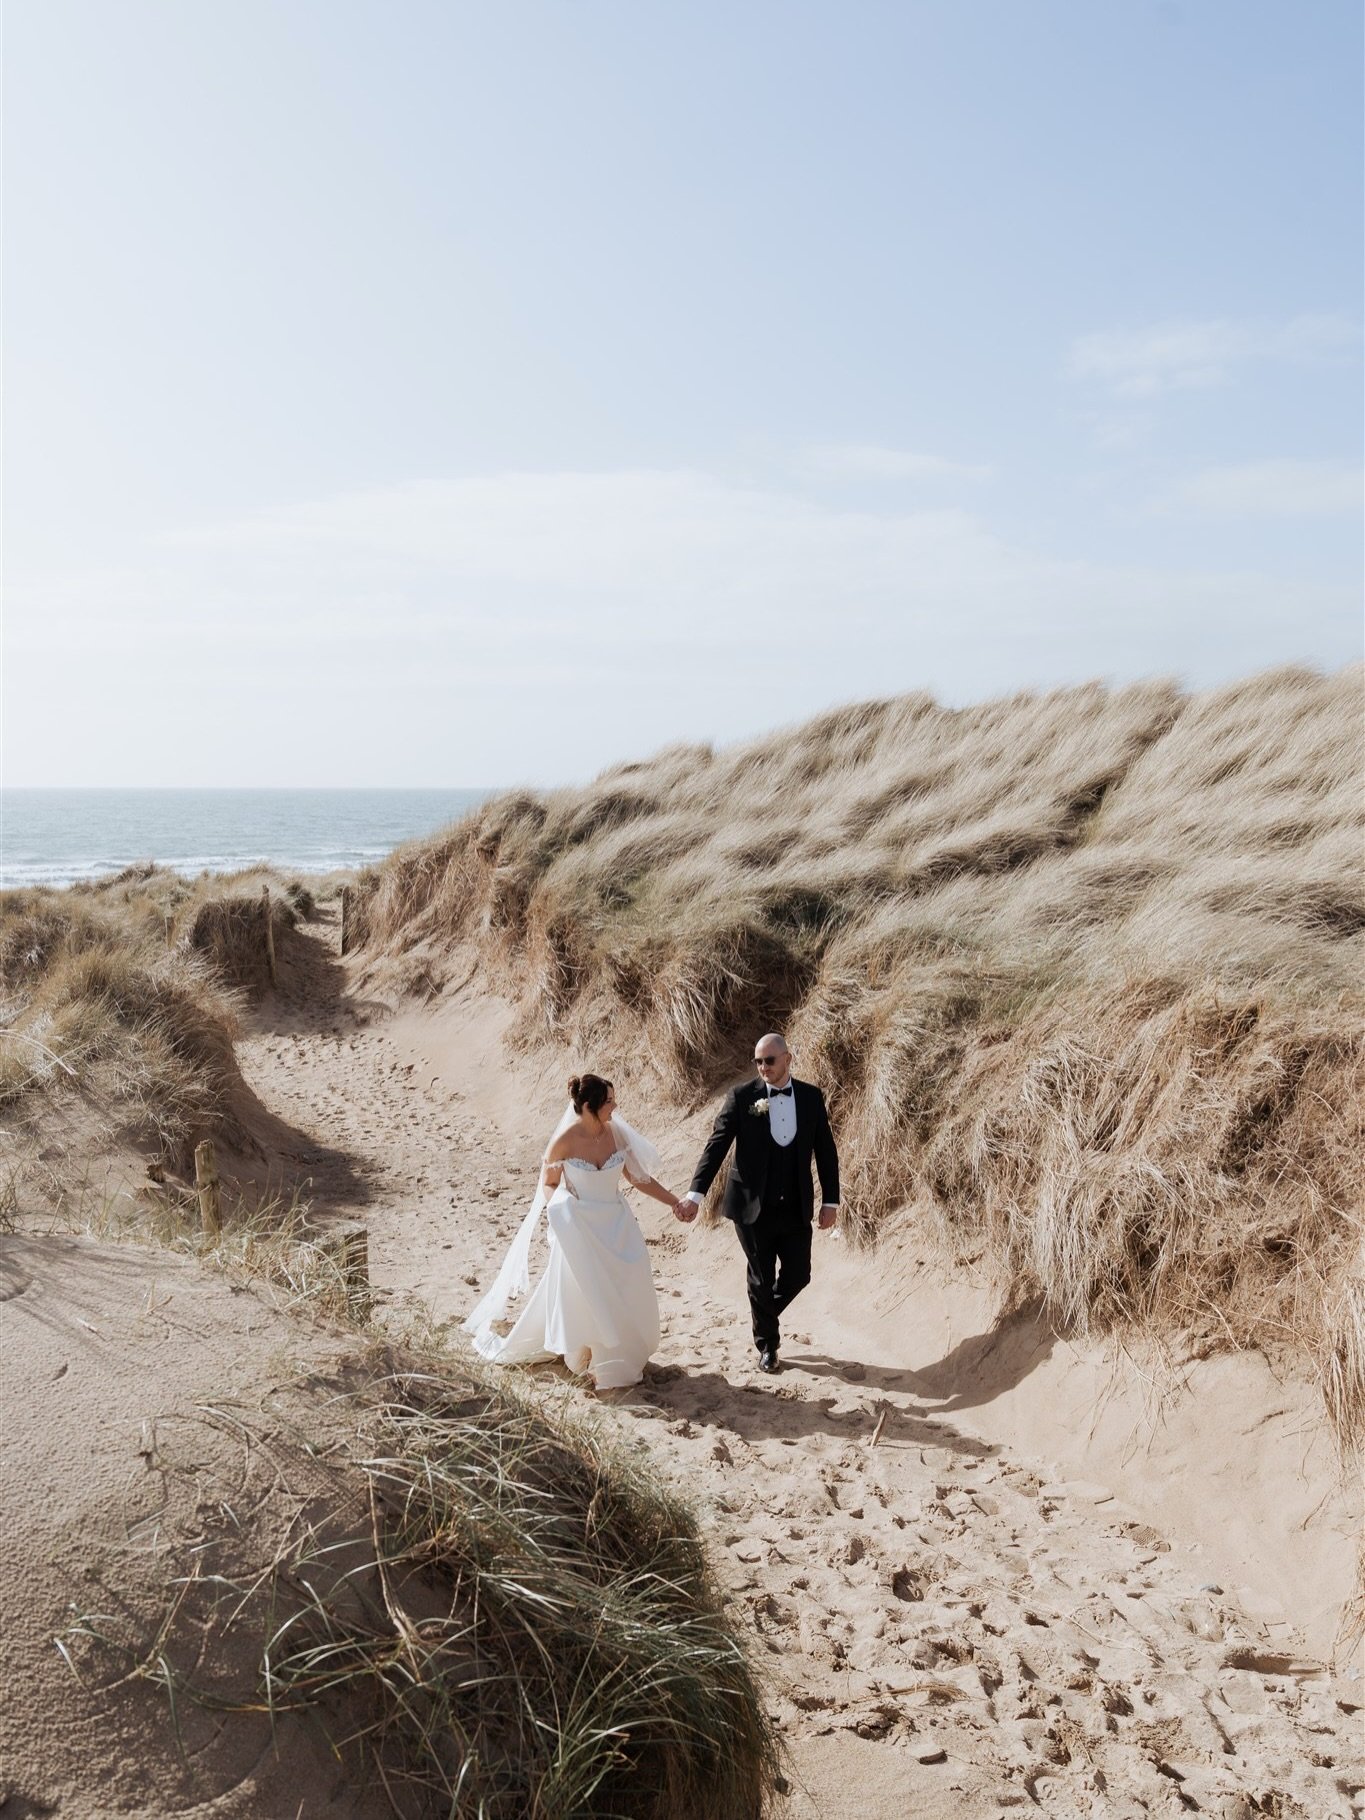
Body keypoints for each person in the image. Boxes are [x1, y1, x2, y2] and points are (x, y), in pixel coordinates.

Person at [463, 1073, 693, 1390]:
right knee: (588, 1292)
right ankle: (592, 1357)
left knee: (627, 1287)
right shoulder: (565, 1141)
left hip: (617, 1227)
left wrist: (674, 1202)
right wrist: (564, 1209)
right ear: (588, 1106)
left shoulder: (617, 1136)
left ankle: (620, 1351)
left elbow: (639, 1179)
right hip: (581, 1228)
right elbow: (550, 1184)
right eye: (609, 1101)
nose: (615, 1106)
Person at [682, 1032, 839, 1374]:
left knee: (799, 1274)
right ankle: (768, 1346)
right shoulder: (741, 1097)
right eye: (758, 1061)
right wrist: (696, 1194)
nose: (763, 1067)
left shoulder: (811, 1098)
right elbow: (717, 1146)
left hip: (795, 1204)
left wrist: (832, 1200)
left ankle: (762, 1316)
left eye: (769, 1060)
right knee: (761, 1277)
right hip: (752, 1206)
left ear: (787, 1058)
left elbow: (826, 1151)